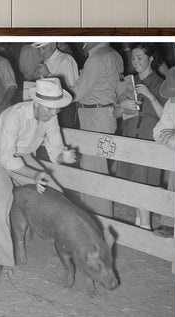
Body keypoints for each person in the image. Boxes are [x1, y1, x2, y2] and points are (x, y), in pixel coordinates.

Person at [0, 78, 76, 286]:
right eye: (51, 109)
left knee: (57, 194)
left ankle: (63, 246)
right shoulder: (16, 115)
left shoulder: (50, 116)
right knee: (1, 204)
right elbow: (6, 160)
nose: (54, 114)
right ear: (37, 102)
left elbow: (55, 151)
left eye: (57, 109)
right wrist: (34, 175)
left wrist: (63, 157)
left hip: (22, 157)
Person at [114, 43, 166, 230]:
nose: (135, 62)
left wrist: (150, 96)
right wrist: (123, 106)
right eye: (133, 58)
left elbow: (167, 117)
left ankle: (145, 225)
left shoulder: (161, 84)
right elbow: (115, 114)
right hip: (129, 137)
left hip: (147, 139)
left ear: (151, 59)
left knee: (143, 184)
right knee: (132, 184)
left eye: (140, 58)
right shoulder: (129, 81)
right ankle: (140, 223)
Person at [73, 42, 124, 217]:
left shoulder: (96, 59)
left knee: (93, 169)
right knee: (99, 166)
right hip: (106, 114)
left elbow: (77, 93)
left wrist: (54, 88)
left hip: (94, 116)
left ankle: (97, 217)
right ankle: (96, 214)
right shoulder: (115, 54)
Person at [31, 42, 79, 128]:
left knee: (65, 135)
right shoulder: (45, 62)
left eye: (44, 48)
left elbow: (70, 90)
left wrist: (48, 74)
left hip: (64, 108)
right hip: (48, 107)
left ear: (53, 46)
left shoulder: (65, 59)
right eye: (39, 49)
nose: (41, 52)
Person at [152, 67, 175, 238]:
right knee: (173, 187)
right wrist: (173, 138)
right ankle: (169, 224)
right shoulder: (171, 103)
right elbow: (159, 132)